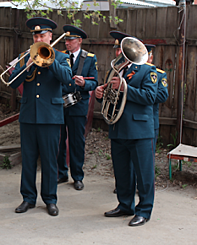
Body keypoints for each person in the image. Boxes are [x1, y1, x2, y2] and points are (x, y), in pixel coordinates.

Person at [8, 17, 72, 217]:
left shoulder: (61, 57)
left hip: (51, 117)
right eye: (36, 35)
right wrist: (27, 64)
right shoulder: (25, 56)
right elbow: (11, 82)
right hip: (29, 116)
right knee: (28, 159)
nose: (39, 37)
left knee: (49, 161)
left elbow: (67, 79)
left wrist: (49, 61)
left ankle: (50, 199)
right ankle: (28, 198)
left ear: (50, 36)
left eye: (42, 35)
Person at [95, 31, 158, 226]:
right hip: (118, 128)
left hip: (139, 130)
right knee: (122, 172)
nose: (119, 53)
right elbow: (109, 97)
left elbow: (150, 97)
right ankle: (125, 205)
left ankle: (144, 211)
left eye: (122, 50)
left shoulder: (148, 70)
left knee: (144, 173)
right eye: (119, 50)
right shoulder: (115, 70)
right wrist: (99, 93)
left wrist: (125, 89)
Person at [57, 25, 98, 191]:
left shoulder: (89, 58)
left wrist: (84, 83)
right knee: (59, 140)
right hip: (60, 103)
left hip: (78, 104)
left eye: (71, 40)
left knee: (76, 142)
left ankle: (77, 176)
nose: (67, 43)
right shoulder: (59, 57)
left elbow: (94, 82)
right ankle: (61, 173)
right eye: (66, 40)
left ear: (79, 41)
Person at [145, 44, 169, 151]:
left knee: (148, 158)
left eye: (146, 55)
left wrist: (144, 94)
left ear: (151, 57)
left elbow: (163, 95)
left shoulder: (158, 74)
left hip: (150, 121)